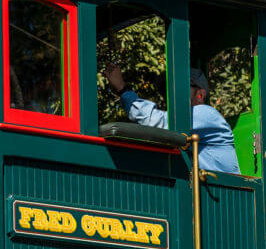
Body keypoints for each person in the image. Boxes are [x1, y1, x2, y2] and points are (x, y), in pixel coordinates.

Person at [103, 62, 241, 174]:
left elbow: (154, 120)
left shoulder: (206, 114)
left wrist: (122, 89)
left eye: (182, 87)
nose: (173, 93)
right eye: (168, 89)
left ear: (200, 94)